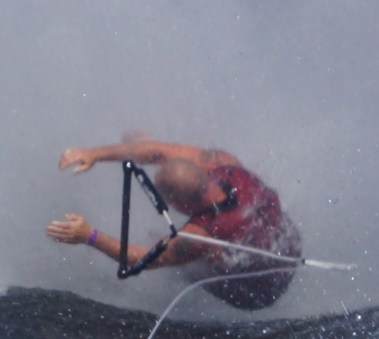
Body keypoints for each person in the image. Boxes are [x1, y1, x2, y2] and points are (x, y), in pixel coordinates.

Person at [45, 133, 302, 310]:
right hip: (291, 245)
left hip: (261, 292)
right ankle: (182, 249)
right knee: (147, 145)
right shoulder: (225, 164)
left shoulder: (200, 234)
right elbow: (160, 152)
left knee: (187, 258)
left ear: (181, 205)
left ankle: (180, 257)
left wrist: (88, 235)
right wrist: (94, 154)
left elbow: (137, 260)